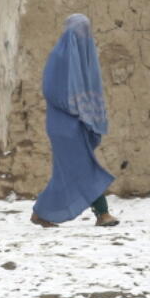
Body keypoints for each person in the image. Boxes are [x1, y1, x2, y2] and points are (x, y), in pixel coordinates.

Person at [30, 14, 120, 228]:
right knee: (85, 168)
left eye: (86, 31)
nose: (83, 36)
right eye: (79, 31)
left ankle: (41, 212)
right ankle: (103, 213)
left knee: (68, 172)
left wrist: (88, 114)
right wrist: (75, 108)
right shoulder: (59, 57)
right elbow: (50, 90)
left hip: (79, 123)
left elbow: (89, 88)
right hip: (64, 125)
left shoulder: (86, 60)